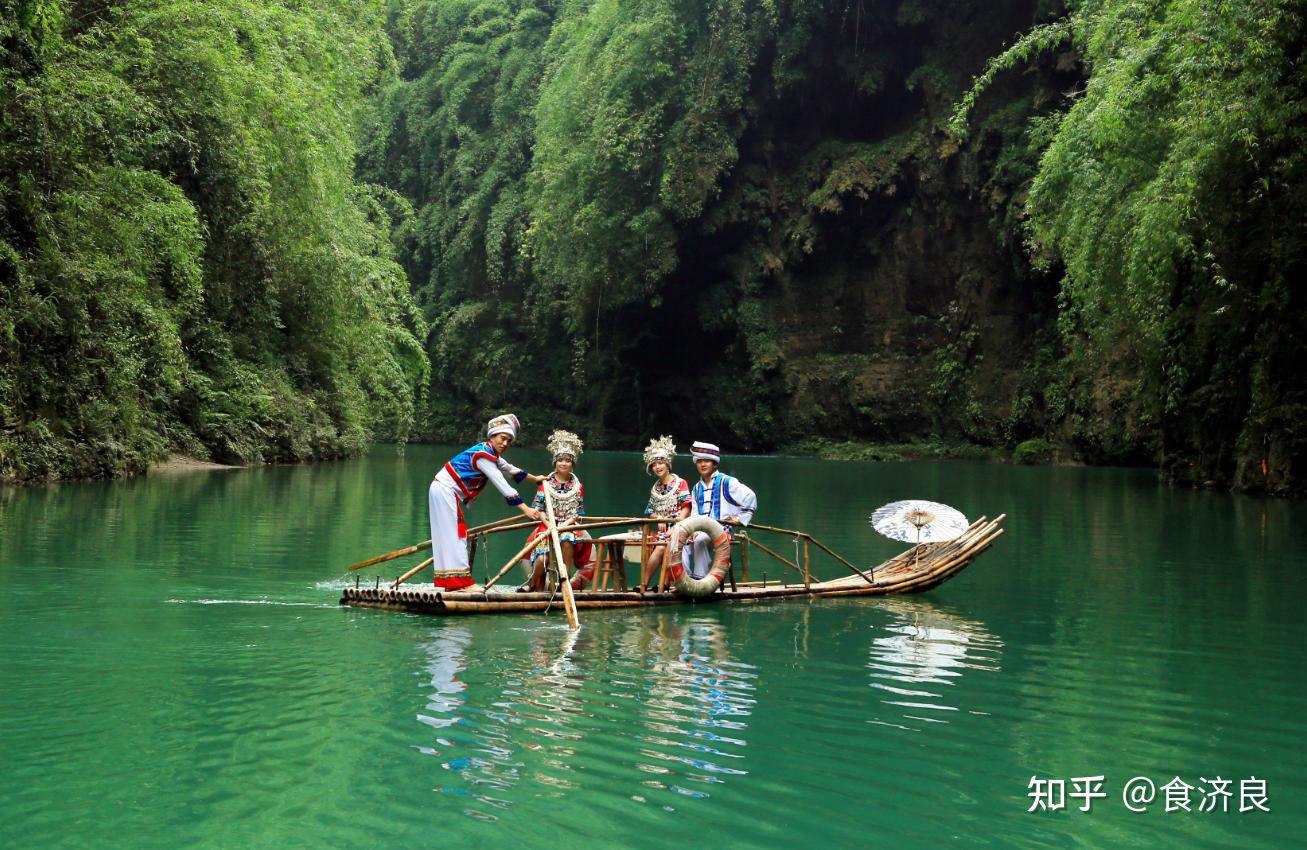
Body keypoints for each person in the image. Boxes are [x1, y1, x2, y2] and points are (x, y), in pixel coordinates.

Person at [429, 414, 543, 590]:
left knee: (450, 536)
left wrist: (536, 479)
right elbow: (501, 482)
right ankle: (462, 583)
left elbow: (511, 469)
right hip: (445, 490)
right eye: (502, 438)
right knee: (456, 536)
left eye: (508, 441)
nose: (505, 443)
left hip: (441, 490)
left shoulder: (491, 454)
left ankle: (450, 582)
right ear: (492, 436)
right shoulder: (483, 456)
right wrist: (525, 509)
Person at [520, 430, 597, 591]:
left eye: (567, 461)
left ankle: (565, 581)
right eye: (560, 460)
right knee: (541, 559)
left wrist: (563, 526)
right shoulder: (545, 484)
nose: (563, 463)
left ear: (572, 464)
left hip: (568, 525)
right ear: (555, 462)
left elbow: (577, 513)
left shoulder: (578, 487)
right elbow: (538, 509)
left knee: (568, 540)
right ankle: (533, 583)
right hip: (546, 525)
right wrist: (549, 524)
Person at [684, 441, 757, 578]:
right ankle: (685, 580)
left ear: (715, 464)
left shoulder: (727, 481)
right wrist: (692, 531)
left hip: (723, 530)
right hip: (701, 530)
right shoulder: (696, 488)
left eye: (707, 461)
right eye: (699, 461)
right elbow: (694, 514)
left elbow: (750, 496)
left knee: (700, 540)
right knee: (681, 542)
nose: (703, 464)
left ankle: (700, 579)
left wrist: (740, 518)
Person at [638, 435, 692, 590]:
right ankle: (649, 584)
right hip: (662, 531)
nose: (657, 467)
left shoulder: (680, 483)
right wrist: (660, 518)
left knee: (663, 545)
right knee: (660, 544)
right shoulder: (655, 489)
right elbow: (650, 512)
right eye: (654, 464)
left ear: (667, 464)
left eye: (660, 463)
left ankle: (661, 584)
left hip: (681, 528)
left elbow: (686, 508)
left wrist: (676, 525)